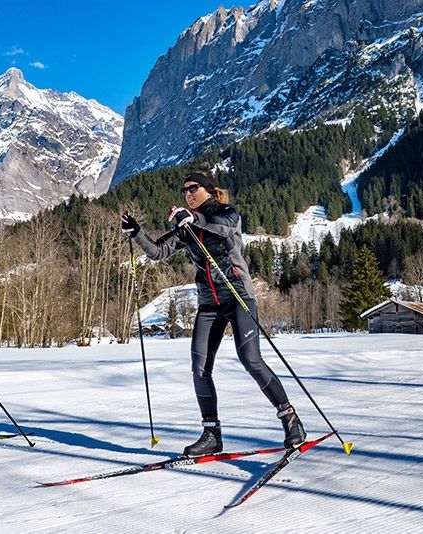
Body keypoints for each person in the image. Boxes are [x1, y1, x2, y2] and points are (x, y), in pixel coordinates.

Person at [120, 169, 306, 455]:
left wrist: (195, 219)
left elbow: (222, 228)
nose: (188, 194)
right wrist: (138, 233)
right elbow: (158, 251)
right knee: (199, 368)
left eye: (193, 188)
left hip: (238, 296)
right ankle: (212, 435)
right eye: (184, 191)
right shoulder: (187, 227)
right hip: (209, 303)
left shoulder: (226, 213)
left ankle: (290, 419)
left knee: (251, 360)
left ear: (208, 189)